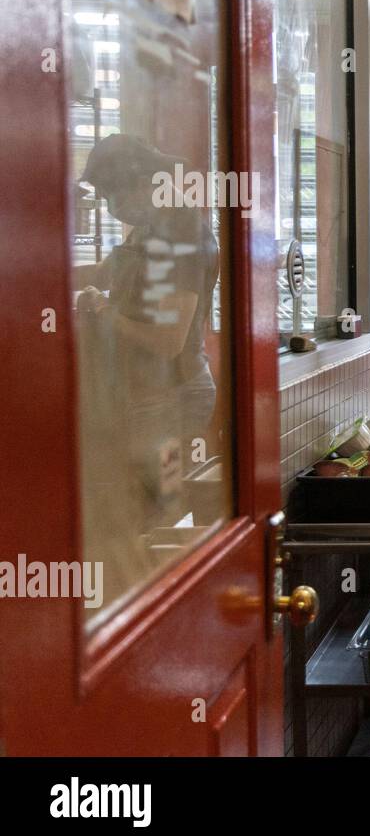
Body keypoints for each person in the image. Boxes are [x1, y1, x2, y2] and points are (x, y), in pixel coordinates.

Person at [74, 134, 222, 611]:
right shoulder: (148, 230)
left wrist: (102, 311)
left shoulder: (182, 234)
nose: (112, 208)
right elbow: (105, 274)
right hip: (141, 397)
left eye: (115, 196)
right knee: (134, 520)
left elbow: (169, 339)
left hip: (172, 398)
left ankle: (154, 632)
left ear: (142, 183)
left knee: (152, 525)